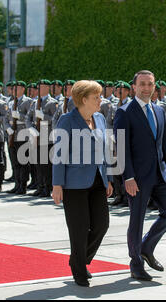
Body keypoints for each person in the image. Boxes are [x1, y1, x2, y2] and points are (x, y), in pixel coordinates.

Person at [113, 70, 166, 281]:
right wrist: (128, 177)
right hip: (138, 178)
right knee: (137, 219)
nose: (146, 88)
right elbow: (122, 149)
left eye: (150, 84)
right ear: (134, 87)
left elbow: (164, 145)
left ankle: (146, 247)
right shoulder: (125, 112)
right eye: (142, 84)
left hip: (160, 174)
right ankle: (136, 264)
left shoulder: (159, 110)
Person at [52, 80, 113, 287]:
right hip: (73, 183)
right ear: (83, 99)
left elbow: (106, 151)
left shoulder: (100, 119)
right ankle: (79, 269)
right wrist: (57, 184)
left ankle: (78, 259)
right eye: (96, 97)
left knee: (102, 225)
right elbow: (58, 155)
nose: (100, 100)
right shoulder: (66, 120)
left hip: (98, 180)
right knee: (79, 228)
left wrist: (109, 178)